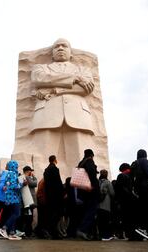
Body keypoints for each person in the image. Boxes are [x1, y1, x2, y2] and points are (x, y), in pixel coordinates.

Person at [30, 38, 99, 179]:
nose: (60, 48)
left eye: (64, 46)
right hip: (46, 115)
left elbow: (85, 89)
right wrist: (74, 78)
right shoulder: (41, 68)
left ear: (71, 53)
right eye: (57, 46)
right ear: (52, 53)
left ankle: (78, 194)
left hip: (78, 115)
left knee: (81, 159)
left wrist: (56, 89)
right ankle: (41, 190)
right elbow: (39, 79)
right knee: (42, 159)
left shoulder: (83, 70)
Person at [130, 149, 148, 240]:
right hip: (146, 187)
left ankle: (144, 229)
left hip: (138, 189)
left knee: (144, 209)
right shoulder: (144, 160)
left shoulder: (134, 163)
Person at [76, 149, 99, 241]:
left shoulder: (81, 163)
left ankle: (90, 233)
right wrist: (93, 185)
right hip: (91, 191)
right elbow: (91, 173)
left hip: (83, 191)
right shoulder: (89, 161)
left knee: (87, 211)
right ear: (91, 155)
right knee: (91, 211)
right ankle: (83, 230)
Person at [0, 160, 23, 240]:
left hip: (8, 197)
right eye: (16, 166)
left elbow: (7, 185)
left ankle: (12, 233)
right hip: (13, 197)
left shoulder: (8, 173)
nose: (17, 168)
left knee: (12, 214)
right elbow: (14, 186)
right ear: (13, 166)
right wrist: (21, 183)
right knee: (16, 213)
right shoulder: (13, 174)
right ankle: (4, 229)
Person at [43, 155, 65, 239]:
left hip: (49, 195)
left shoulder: (46, 170)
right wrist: (62, 192)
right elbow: (58, 183)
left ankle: (51, 231)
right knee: (57, 214)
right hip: (56, 196)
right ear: (55, 160)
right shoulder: (55, 169)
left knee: (51, 214)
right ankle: (53, 232)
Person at [97, 169, 115, 241]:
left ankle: (100, 235)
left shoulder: (97, 182)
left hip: (98, 205)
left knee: (100, 221)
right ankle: (106, 236)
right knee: (106, 221)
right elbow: (112, 193)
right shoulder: (108, 182)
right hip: (106, 205)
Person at [21, 166, 37, 237]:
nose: (31, 172)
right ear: (28, 171)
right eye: (31, 171)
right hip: (29, 200)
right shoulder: (26, 177)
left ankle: (27, 232)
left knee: (28, 216)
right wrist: (34, 178)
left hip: (28, 200)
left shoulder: (24, 177)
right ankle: (28, 232)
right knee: (29, 217)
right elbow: (34, 184)